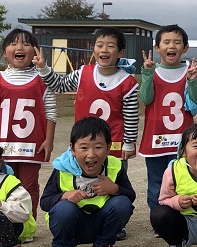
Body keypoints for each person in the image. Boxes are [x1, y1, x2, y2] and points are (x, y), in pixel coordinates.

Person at [0, 28, 56, 242]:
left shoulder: (42, 79)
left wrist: (48, 140)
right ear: (5, 52)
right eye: (13, 43)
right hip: (0, 146)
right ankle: (2, 225)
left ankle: (26, 227)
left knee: (29, 186)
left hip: (31, 146)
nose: (20, 47)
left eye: (26, 43)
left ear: (35, 51)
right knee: (1, 186)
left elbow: (50, 111)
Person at [40, 117, 136, 247]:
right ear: (72, 149)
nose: (91, 155)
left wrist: (115, 189)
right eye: (84, 148)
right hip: (72, 224)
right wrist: (65, 196)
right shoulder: (62, 168)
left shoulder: (114, 166)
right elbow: (45, 202)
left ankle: (103, 245)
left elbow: (131, 196)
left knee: (122, 203)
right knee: (63, 208)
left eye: (98, 147)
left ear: (108, 147)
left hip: (101, 223)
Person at [36, 27, 139, 160]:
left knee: (113, 174)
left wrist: (129, 143)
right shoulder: (82, 73)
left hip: (113, 148)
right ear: (93, 50)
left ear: (120, 53)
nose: (104, 50)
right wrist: (43, 68)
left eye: (110, 46)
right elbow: (60, 85)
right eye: (99, 45)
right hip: (83, 146)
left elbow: (131, 118)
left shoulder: (127, 83)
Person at [138, 24, 197, 211]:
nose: (171, 46)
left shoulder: (189, 71)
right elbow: (146, 99)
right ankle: (158, 216)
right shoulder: (152, 70)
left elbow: (194, 105)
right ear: (157, 48)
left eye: (177, 42)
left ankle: (182, 216)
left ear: (185, 48)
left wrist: (193, 81)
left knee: (182, 180)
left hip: (182, 139)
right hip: (156, 138)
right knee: (156, 182)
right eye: (166, 42)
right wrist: (147, 74)